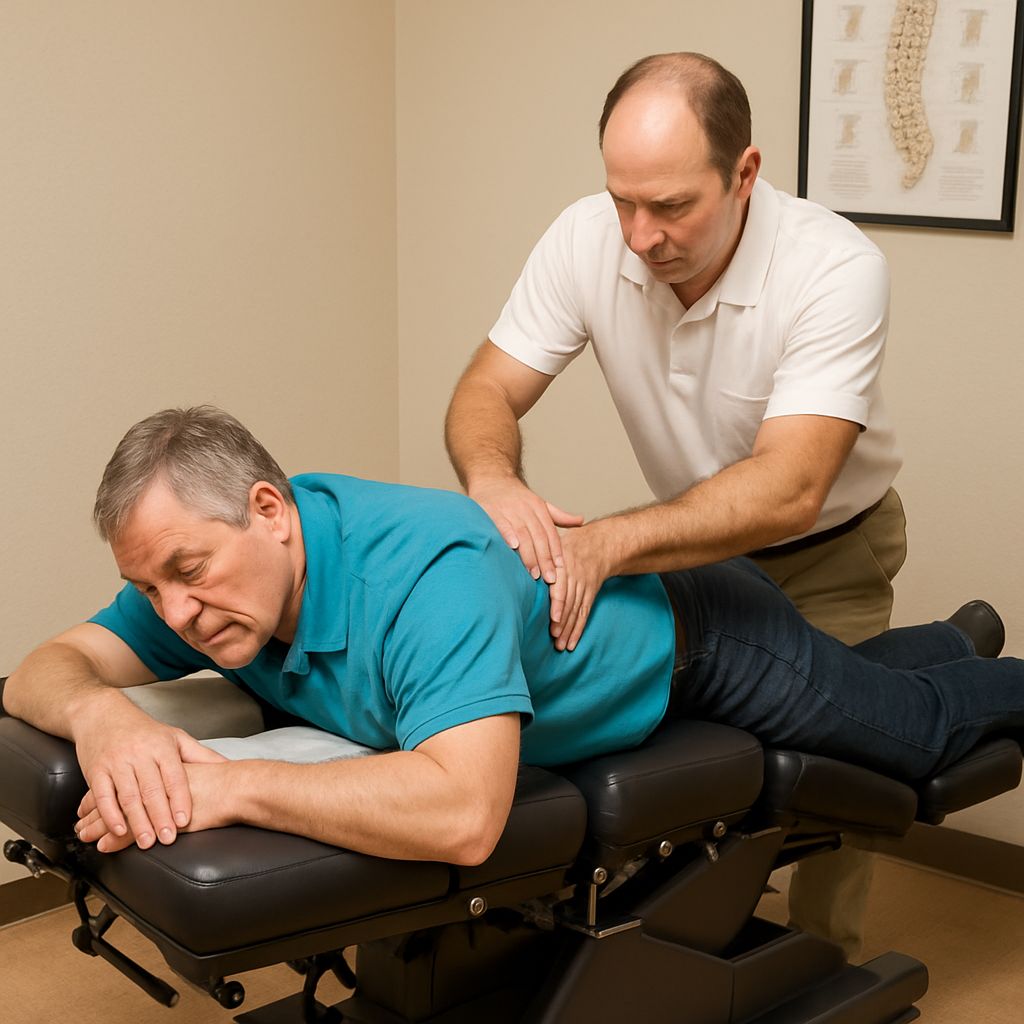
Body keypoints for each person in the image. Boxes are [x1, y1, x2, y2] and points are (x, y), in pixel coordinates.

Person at [3, 408, 1019, 879]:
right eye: (148, 588)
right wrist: (103, 720)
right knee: (863, 689)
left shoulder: (424, 576)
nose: (173, 614)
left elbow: (464, 816)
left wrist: (231, 785)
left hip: (705, 637)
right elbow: (43, 670)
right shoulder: (217, 592)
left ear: (270, 510)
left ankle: (977, 672)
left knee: (916, 735)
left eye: (185, 571)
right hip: (616, 650)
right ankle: (948, 637)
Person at [444, 51, 906, 955]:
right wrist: (494, 479)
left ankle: (825, 962)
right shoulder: (587, 238)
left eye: (671, 207)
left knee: (836, 770)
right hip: (690, 549)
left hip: (828, 548)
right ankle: (656, 953)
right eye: (623, 201)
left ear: (745, 174)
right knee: (677, 747)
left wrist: (611, 544)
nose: (640, 235)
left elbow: (790, 488)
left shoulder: (834, 268)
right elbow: (483, 391)